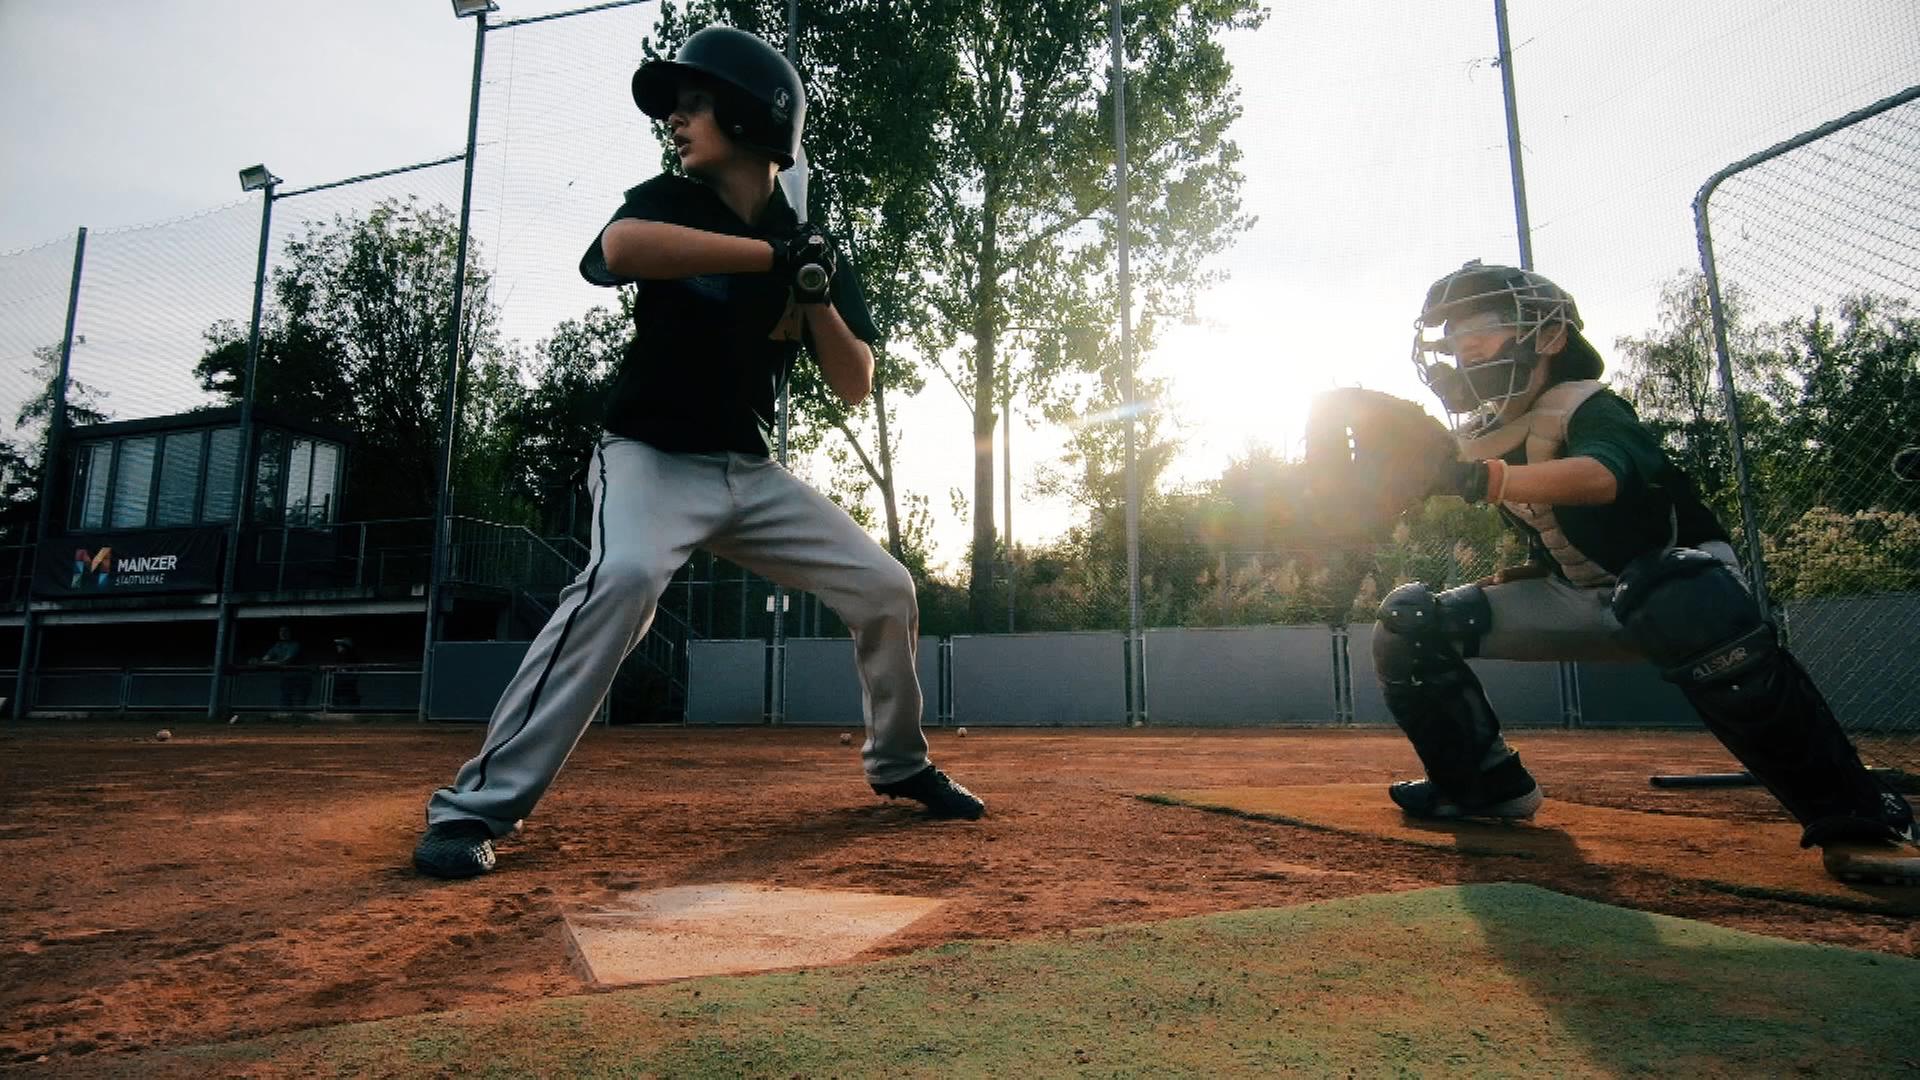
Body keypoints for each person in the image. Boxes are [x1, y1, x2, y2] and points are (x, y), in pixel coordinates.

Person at [412, 25, 982, 881]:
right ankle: (473, 811)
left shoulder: (809, 240)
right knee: (626, 578)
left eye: (696, 102)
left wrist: (814, 286)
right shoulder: (672, 199)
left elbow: (855, 380)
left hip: (746, 473)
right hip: (646, 457)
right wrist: (771, 256)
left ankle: (899, 764)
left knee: (885, 587)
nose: (676, 119)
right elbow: (618, 251)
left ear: (752, 116)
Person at [1369, 260, 1917, 886]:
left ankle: (1861, 816)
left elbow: (1604, 479)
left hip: (1687, 590)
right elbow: (1557, 534)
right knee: (1408, 621)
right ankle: (1478, 784)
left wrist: (1480, 480)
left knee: (1670, 590)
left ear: (1548, 338)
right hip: (1585, 598)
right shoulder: (1488, 435)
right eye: (1456, 340)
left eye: (1485, 330)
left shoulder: (1591, 408)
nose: (1466, 351)